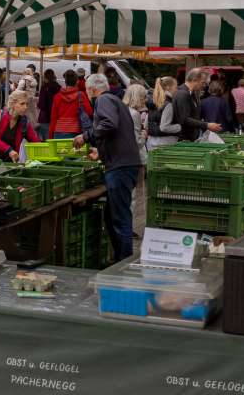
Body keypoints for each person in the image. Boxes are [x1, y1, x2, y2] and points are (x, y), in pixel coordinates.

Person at [80, 73, 144, 261]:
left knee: (120, 217)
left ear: (92, 89)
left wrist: (85, 136)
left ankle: (123, 261)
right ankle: (119, 257)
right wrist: (101, 152)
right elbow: (118, 133)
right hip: (124, 163)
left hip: (120, 167)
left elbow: (109, 123)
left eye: (87, 91)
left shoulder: (103, 100)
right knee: (114, 215)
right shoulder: (115, 101)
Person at [171, 67, 221, 141]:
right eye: (203, 82)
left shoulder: (192, 94)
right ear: (194, 80)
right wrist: (207, 125)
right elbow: (184, 119)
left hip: (191, 137)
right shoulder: (182, 94)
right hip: (184, 139)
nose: (204, 86)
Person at [0, 90, 40, 162]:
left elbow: (36, 142)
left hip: (11, 163)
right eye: (22, 104)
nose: (25, 107)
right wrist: (9, 150)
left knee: (4, 173)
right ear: (13, 104)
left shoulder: (24, 122)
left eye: (27, 104)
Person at [48, 70, 92, 141]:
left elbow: (53, 118)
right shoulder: (81, 95)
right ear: (76, 82)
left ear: (65, 82)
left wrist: (50, 136)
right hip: (76, 132)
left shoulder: (57, 97)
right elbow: (89, 112)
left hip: (58, 132)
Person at [147, 76, 180, 151]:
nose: (177, 90)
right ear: (168, 87)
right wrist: (179, 127)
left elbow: (146, 124)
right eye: (176, 87)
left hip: (151, 141)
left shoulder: (153, 101)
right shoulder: (168, 104)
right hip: (165, 143)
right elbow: (164, 127)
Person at [36, 69, 60, 139]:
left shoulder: (44, 87)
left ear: (45, 77)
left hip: (45, 118)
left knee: (46, 141)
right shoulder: (59, 87)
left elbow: (41, 104)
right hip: (57, 118)